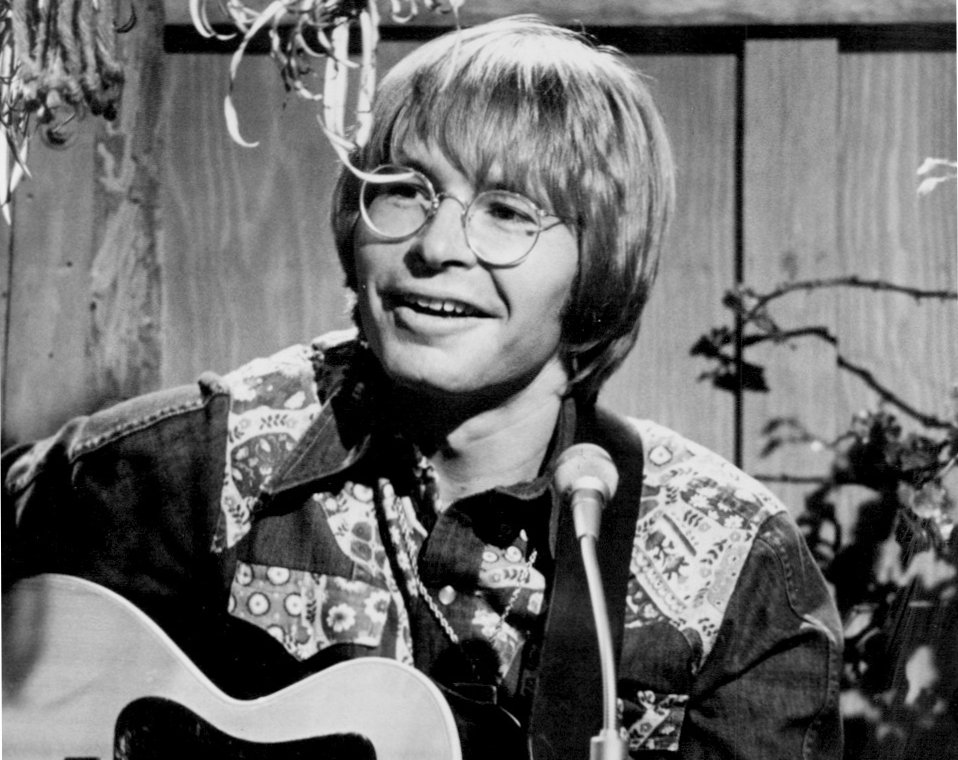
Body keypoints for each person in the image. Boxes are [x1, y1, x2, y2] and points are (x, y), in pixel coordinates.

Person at [2, 15, 842, 759]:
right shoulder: (183, 469)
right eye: (404, 192)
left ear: (601, 268)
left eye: (509, 211)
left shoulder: (735, 569)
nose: (437, 246)